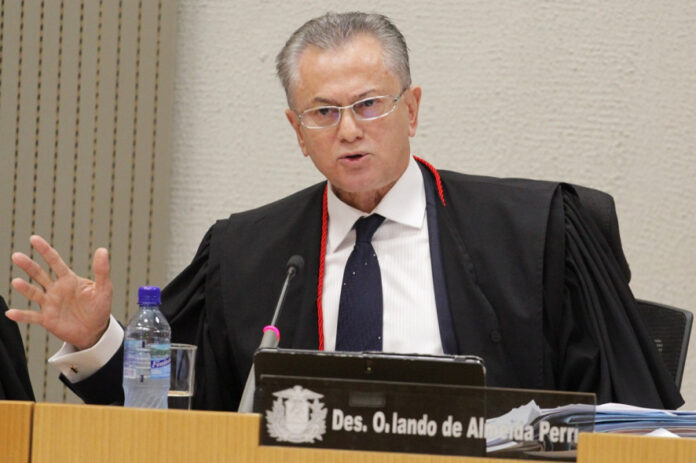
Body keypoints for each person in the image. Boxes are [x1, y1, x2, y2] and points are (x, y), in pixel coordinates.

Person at [6, 12, 682, 410]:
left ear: (411, 109)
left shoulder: (536, 232)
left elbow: (627, 416)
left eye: (369, 105)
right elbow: (181, 410)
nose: (350, 130)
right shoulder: (247, 253)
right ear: (297, 131)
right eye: (324, 113)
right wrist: (99, 340)